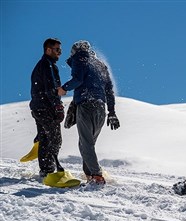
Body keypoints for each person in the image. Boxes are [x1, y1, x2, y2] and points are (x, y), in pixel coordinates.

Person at [58, 40, 120, 186]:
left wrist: (64, 88)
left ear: (75, 50)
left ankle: (97, 175)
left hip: (86, 106)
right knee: (86, 144)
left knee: (86, 144)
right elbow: (109, 90)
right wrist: (111, 112)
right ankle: (89, 174)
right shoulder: (100, 65)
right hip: (100, 108)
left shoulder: (80, 58)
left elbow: (78, 79)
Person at [29, 38, 65, 178]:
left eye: (60, 50)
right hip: (45, 108)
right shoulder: (47, 65)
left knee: (45, 137)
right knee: (55, 139)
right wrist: (58, 106)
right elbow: (51, 89)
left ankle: (46, 170)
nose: (59, 53)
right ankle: (49, 171)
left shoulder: (44, 65)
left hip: (39, 107)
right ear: (48, 50)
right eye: (57, 50)